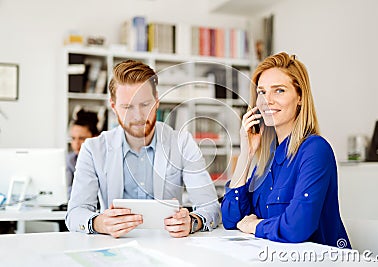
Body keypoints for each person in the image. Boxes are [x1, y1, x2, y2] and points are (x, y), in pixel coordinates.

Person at [66, 60, 220, 238]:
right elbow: (75, 213)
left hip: (171, 246)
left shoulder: (183, 143)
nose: (138, 116)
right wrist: (100, 223)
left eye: (145, 105)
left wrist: (193, 221)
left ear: (156, 101)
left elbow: (211, 208)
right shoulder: (93, 149)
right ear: (114, 107)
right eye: (127, 107)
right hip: (114, 247)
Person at [221, 52, 351, 248]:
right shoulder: (268, 159)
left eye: (279, 90)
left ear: (300, 97)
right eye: (262, 92)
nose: (267, 100)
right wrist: (246, 154)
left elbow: (298, 227)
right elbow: (231, 218)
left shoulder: (315, 150)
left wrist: (255, 225)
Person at [66, 109, 100, 199]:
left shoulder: (105, 160)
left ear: (95, 137)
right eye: (73, 138)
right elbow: (66, 190)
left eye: (81, 138)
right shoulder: (70, 160)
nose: (76, 143)